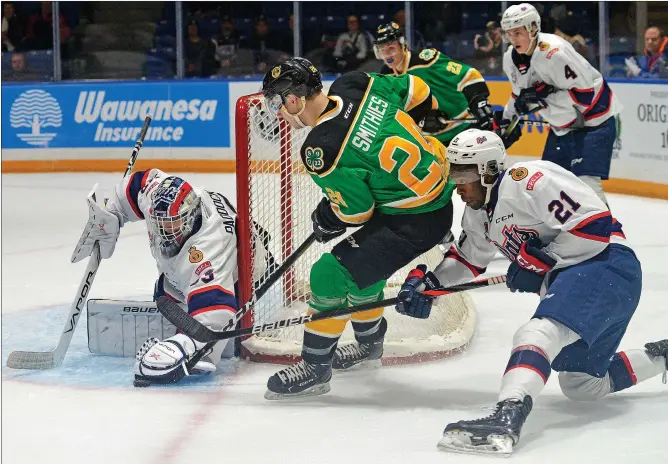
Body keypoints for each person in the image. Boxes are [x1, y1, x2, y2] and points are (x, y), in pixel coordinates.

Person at [395, 128, 668, 456]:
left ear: (488, 171)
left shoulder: (530, 182)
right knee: (582, 385)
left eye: (465, 174)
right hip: (589, 277)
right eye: (454, 173)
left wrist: (544, 263)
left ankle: (506, 417)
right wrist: (430, 285)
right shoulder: (477, 215)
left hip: (607, 264)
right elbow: (468, 260)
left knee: (538, 332)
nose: (458, 185)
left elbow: (594, 226)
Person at [260, 57, 455, 400]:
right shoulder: (355, 84)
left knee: (329, 274)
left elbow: (358, 212)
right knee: (365, 268)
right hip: (436, 194)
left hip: (413, 219)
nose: (278, 112)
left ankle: (315, 368)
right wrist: (425, 118)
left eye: (278, 102)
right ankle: (369, 347)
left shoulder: (322, 147)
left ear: (294, 99)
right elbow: (417, 89)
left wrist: (329, 217)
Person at [71, 169, 271, 385]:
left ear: (189, 216)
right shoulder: (158, 197)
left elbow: (217, 314)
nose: (162, 230)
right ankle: (185, 314)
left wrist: (185, 347)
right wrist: (112, 214)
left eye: (171, 224)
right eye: (158, 222)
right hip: (214, 256)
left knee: (203, 338)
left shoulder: (208, 250)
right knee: (165, 294)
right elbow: (136, 185)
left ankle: (199, 330)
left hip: (247, 273)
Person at [500, 3, 621, 205]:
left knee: (587, 184)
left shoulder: (554, 53)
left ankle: (608, 232)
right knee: (549, 184)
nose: (513, 39)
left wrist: (539, 99)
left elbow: (584, 97)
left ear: (532, 28)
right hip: (562, 128)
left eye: (518, 32)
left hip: (595, 121)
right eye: (509, 33)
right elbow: (518, 94)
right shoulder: (509, 59)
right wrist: (505, 120)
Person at [374, 22, 521, 149]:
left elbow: (468, 74)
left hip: (463, 129)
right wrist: (423, 120)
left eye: (391, 48)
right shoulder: (386, 77)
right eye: (383, 50)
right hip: (431, 142)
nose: (387, 55)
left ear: (402, 45)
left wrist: (479, 102)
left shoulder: (426, 61)